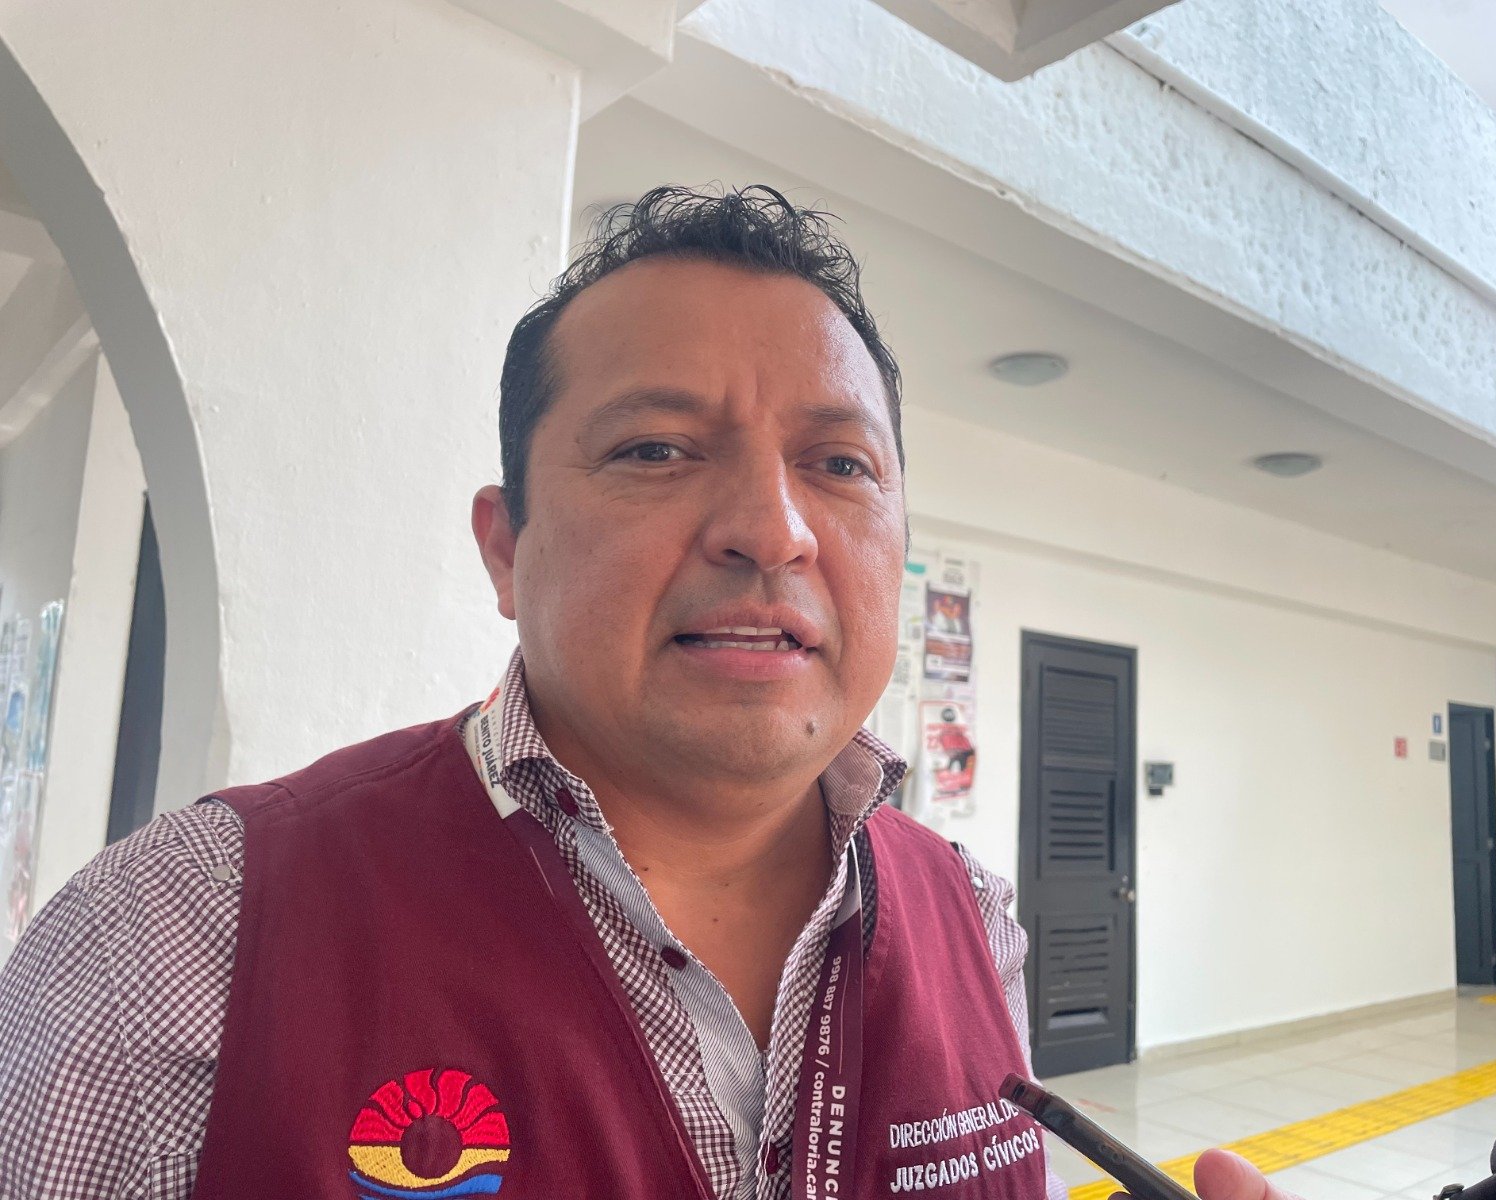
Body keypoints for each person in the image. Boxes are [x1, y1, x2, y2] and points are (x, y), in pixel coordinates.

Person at [0, 184, 1273, 1199]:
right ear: (506, 547)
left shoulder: (973, 922)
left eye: (837, 462)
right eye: (655, 449)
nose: (772, 530)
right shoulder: (180, 937)